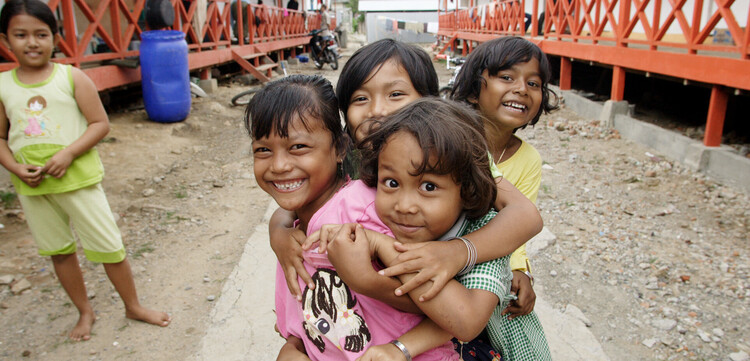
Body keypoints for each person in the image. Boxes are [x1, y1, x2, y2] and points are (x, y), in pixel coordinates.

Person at [269, 39, 542, 314]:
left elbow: (525, 215)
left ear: (429, 103)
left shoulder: (451, 151)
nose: (377, 110)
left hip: (448, 295)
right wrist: (279, 233)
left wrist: (459, 252)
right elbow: (297, 205)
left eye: (396, 95)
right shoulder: (349, 155)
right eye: (361, 98)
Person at [308, 98, 552, 361]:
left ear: (467, 190)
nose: (405, 206)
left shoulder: (485, 233)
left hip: (483, 346)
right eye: (391, 182)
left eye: (429, 187)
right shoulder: (372, 207)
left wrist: (377, 250)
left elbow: (466, 323)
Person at [245, 74, 458, 360]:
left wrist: (366, 280)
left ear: (340, 148)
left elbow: (444, 307)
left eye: (298, 147)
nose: (280, 165)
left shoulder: (363, 212)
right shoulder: (296, 231)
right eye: (263, 150)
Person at [0, 0, 170, 342]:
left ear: (56, 38)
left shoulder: (71, 77)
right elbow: (1, 138)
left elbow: (99, 123)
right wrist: (15, 167)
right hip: (33, 188)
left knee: (110, 247)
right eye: (21, 35)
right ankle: (84, 311)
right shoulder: (3, 86)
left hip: (79, 181)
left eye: (41, 34)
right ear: (5, 40)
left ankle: (133, 305)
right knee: (59, 252)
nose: (32, 42)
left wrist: (68, 154)